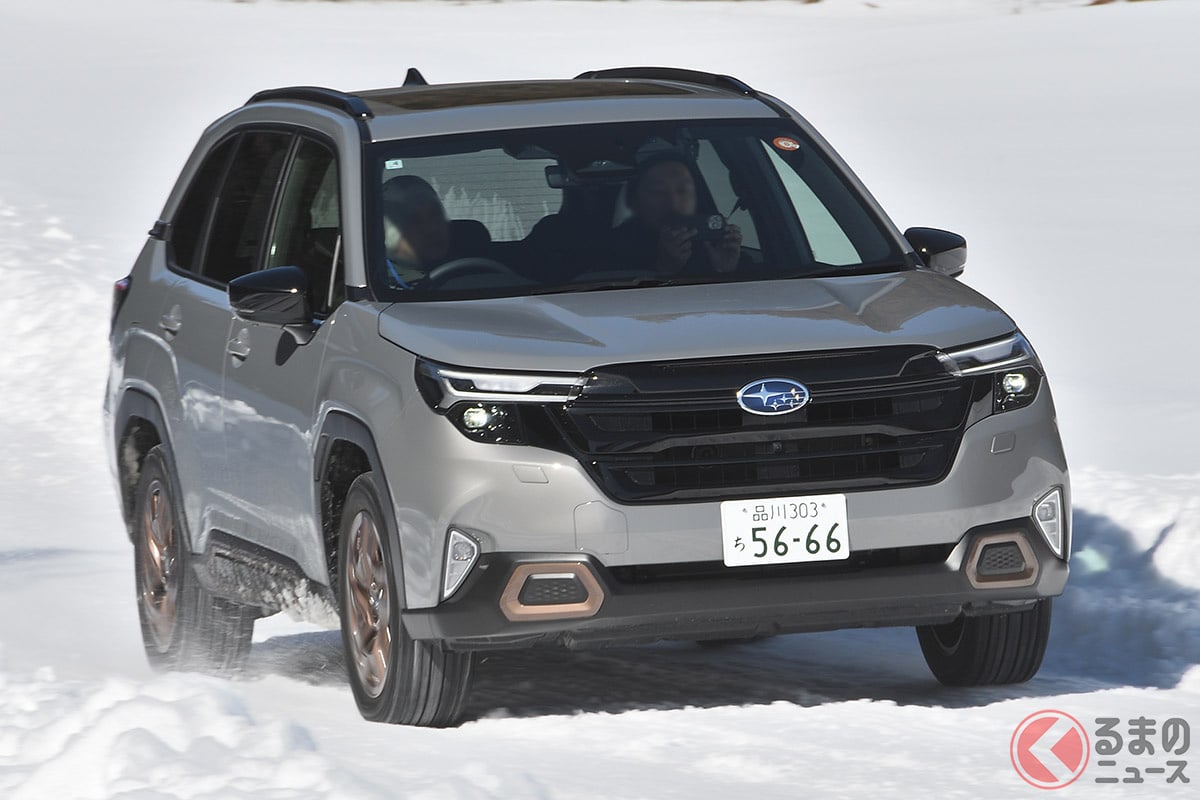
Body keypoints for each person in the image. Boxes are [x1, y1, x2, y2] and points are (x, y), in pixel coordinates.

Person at [608, 152, 743, 276]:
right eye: (658, 192)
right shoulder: (612, 250)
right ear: (636, 201)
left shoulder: (717, 245)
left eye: (683, 191)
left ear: (696, 197)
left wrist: (725, 270)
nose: (673, 202)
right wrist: (665, 269)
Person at [381, 175, 450, 288]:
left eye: (435, 215)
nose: (432, 228)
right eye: (416, 221)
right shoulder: (378, 285)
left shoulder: (472, 268)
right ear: (389, 233)